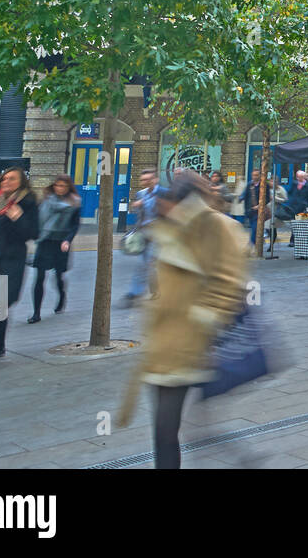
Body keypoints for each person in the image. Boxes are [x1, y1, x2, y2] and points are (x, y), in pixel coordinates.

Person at [118, 173, 246, 469]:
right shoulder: (171, 228)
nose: (163, 208)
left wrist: (204, 319)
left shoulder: (216, 227)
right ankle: (241, 456)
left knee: (167, 426)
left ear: (184, 201)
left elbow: (229, 280)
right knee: (174, 426)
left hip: (192, 341)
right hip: (163, 342)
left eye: (168, 202)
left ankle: (240, 457)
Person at [0, 167, 39, 364]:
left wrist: (18, 217)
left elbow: (33, 233)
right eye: (4, 179)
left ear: (21, 182)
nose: (6, 182)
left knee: (0, 302)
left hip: (12, 258)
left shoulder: (27, 203)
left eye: (12, 179)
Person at [27, 175, 81, 323]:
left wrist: (67, 240)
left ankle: (61, 296)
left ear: (68, 187)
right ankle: (36, 312)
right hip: (45, 241)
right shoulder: (47, 200)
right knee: (39, 277)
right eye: (57, 185)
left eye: (63, 186)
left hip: (61, 243)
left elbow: (75, 225)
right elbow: (38, 218)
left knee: (58, 276)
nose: (59, 188)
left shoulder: (74, 203)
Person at [125, 170, 161, 305]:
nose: (145, 182)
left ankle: (135, 292)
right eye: (143, 180)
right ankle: (154, 290)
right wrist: (136, 206)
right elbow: (139, 214)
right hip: (143, 233)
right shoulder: (140, 194)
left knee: (147, 263)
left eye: (148, 179)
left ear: (155, 180)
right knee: (147, 264)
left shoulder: (162, 194)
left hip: (157, 234)